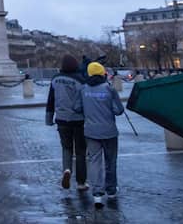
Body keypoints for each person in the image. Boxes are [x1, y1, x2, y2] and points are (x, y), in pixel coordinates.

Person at [78, 61, 124, 210]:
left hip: (91, 132)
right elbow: (118, 110)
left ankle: (97, 193)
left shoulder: (83, 89)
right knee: (111, 161)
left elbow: (77, 107)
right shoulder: (109, 89)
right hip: (109, 131)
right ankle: (111, 190)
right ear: (102, 73)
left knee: (94, 162)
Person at [45, 54, 88, 191]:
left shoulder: (55, 79)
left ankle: (67, 169)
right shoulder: (80, 80)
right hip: (78, 119)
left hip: (61, 119)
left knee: (66, 148)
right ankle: (81, 182)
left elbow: (51, 99)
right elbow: (85, 100)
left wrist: (49, 118)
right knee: (81, 151)